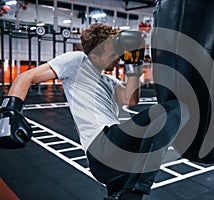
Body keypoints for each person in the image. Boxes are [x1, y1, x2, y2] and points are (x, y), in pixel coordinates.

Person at [0, 23, 189, 200]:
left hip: (111, 162)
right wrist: (10, 111)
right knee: (173, 110)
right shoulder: (77, 62)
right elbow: (27, 76)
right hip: (104, 145)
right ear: (95, 54)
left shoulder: (108, 81)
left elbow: (131, 99)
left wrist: (134, 66)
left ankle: (129, 192)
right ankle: (137, 187)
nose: (118, 57)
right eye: (112, 53)